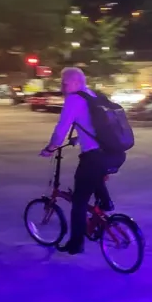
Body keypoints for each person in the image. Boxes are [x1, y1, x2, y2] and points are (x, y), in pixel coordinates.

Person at [39, 67, 113, 255]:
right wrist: (78, 139)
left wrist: (50, 148)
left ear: (77, 82)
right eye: (61, 82)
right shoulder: (90, 95)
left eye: (65, 82)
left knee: (79, 202)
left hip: (93, 155)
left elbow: (61, 128)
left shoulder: (74, 99)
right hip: (109, 152)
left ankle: (76, 244)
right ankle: (105, 204)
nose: (62, 86)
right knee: (93, 177)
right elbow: (93, 125)